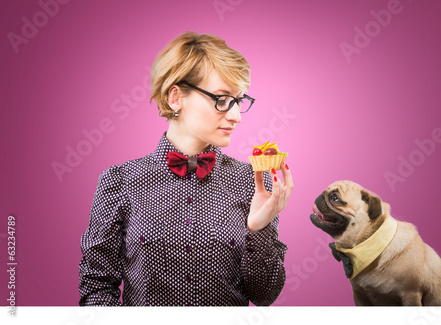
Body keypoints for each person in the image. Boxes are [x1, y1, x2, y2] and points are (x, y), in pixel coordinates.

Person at [78, 31, 293, 306]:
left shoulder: (254, 183)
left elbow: (265, 296)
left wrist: (258, 228)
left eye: (239, 101)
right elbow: (96, 287)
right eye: (222, 98)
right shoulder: (120, 181)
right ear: (175, 97)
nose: (236, 116)